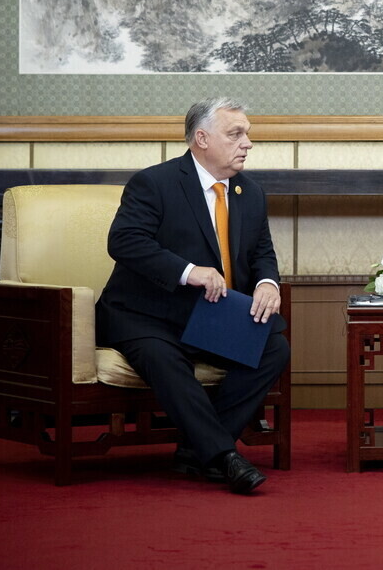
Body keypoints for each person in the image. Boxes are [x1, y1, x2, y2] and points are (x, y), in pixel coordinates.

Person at [95, 97, 288, 494]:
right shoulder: (156, 182)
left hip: (209, 317)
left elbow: (261, 251)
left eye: (247, 134)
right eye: (236, 134)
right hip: (144, 314)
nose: (247, 143)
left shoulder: (249, 193)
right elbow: (124, 241)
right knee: (164, 357)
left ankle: (193, 450)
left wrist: (268, 283)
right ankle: (223, 456)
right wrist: (188, 272)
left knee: (273, 346)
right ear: (201, 138)